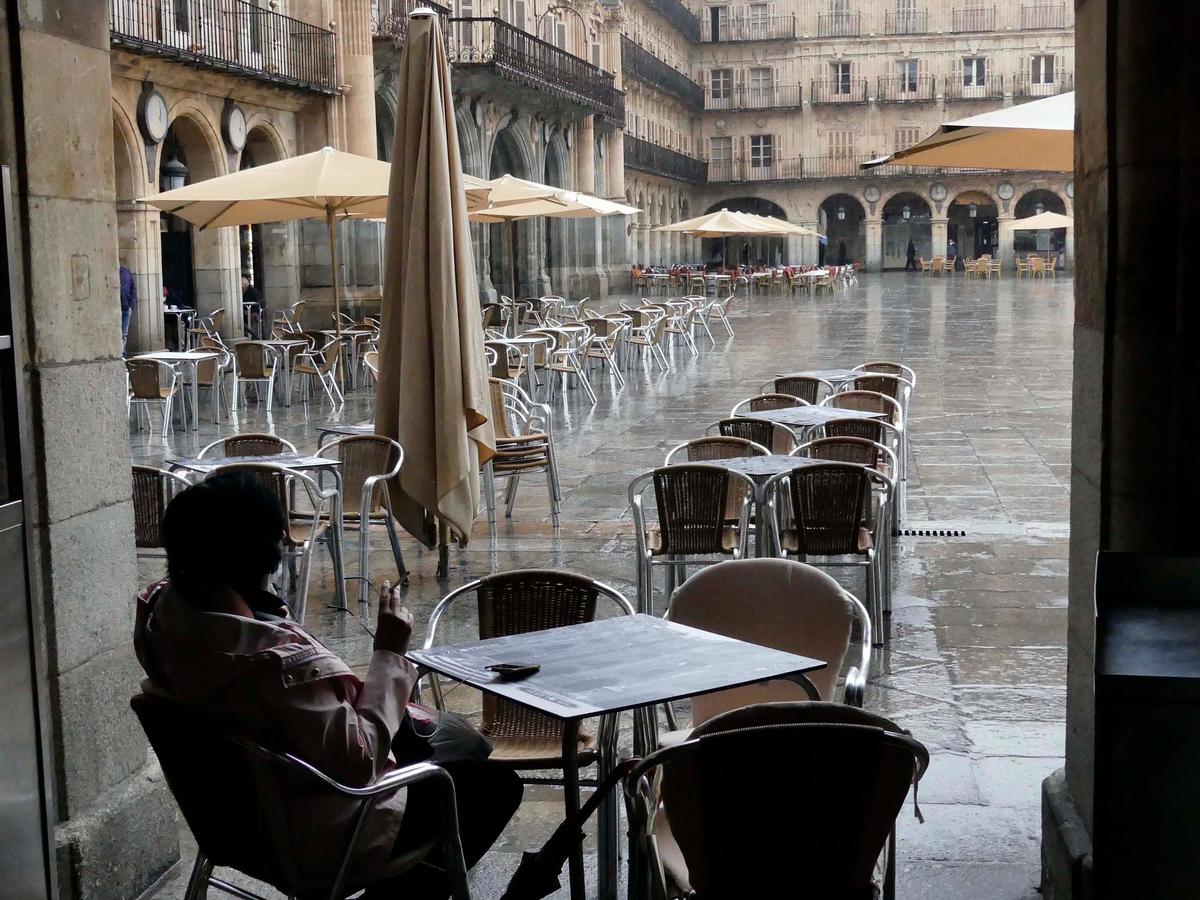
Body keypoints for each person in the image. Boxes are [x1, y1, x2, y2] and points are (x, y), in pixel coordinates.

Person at [134, 473, 522, 897]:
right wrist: (389, 653)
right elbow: (358, 762)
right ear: (265, 556)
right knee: (491, 786)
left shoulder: (161, 621)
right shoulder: (272, 665)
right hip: (318, 828)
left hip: (236, 822)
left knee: (453, 744)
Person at [119, 263, 137, 356]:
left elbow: (133, 288)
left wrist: (132, 304)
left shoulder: (126, 272)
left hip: (126, 307)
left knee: (124, 333)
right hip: (117, 307)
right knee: (120, 333)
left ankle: (122, 353)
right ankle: (120, 353)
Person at [241, 274, 263, 338]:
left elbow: (260, 303)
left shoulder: (252, 292)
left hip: (252, 314)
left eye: (243, 288)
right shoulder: (246, 292)